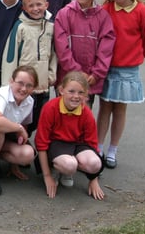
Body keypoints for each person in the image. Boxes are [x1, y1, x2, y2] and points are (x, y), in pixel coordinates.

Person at [97, 0, 145, 169]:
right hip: (107, 66)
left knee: (120, 109)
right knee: (104, 108)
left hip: (128, 69)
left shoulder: (143, 12)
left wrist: (134, 57)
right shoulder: (106, 9)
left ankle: (112, 150)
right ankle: (98, 148)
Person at [35, 72, 105, 200]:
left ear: (86, 94)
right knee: (69, 164)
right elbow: (41, 143)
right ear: (61, 90)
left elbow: (92, 143)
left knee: (95, 163)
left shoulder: (86, 112)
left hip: (77, 144)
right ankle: (57, 170)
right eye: (71, 91)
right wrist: (47, 176)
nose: (75, 96)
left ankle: (69, 170)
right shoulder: (50, 108)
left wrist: (93, 178)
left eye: (80, 93)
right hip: (56, 144)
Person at [54, 0, 115, 108]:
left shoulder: (103, 17)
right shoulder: (64, 14)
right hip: (67, 76)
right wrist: (76, 71)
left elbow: (106, 49)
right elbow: (62, 48)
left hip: (90, 79)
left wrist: (97, 73)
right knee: (63, 114)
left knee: (83, 115)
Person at [2, 0, 57, 133]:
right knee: (21, 117)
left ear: (46, 5)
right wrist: (8, 82)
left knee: (38, 118)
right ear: (24, 7)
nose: (35, 8)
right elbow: (10, 56)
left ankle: (28, 138)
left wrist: (52, 74)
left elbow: (54, 54)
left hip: (43, 85)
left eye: (39, 4)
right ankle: (19, 140)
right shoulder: (20, 27)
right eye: (31, 5)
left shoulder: (51, 27)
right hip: (24, 86)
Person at [0, 65, 38, 196]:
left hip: (4, 136)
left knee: (28, 154)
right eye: (20, 83)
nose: (23, 89)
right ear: (11, 81)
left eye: (29, 85)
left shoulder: (30, 101)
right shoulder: (0, 94)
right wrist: (19, 128)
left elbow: (24, 128)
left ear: (33, 88)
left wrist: (13, 164)